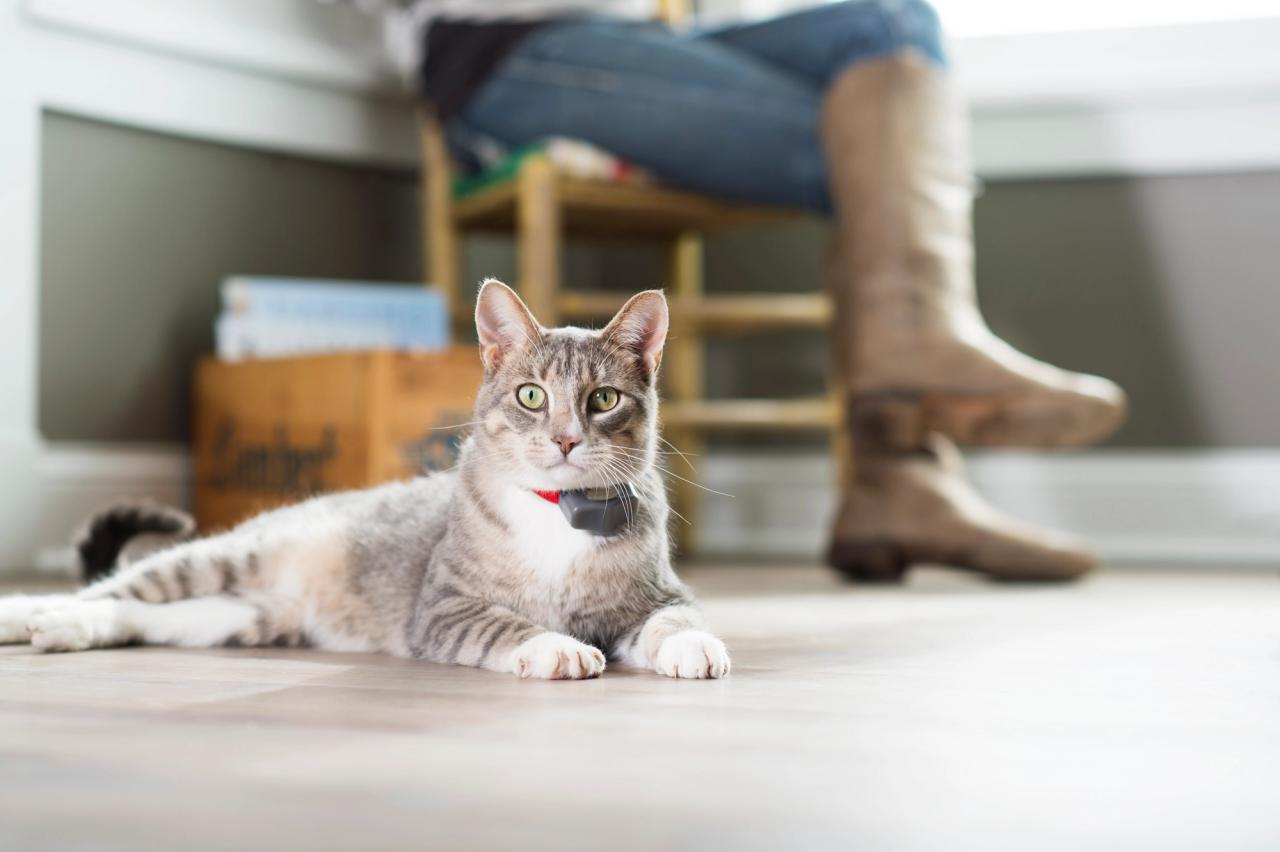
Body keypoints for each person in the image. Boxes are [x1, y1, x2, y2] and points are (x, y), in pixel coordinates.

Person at [379, 0, 1128, 581]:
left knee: (891, 23)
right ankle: (901, 455)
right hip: (501, 48)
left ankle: (904, 463)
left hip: (636, 38)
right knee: (873, 138)